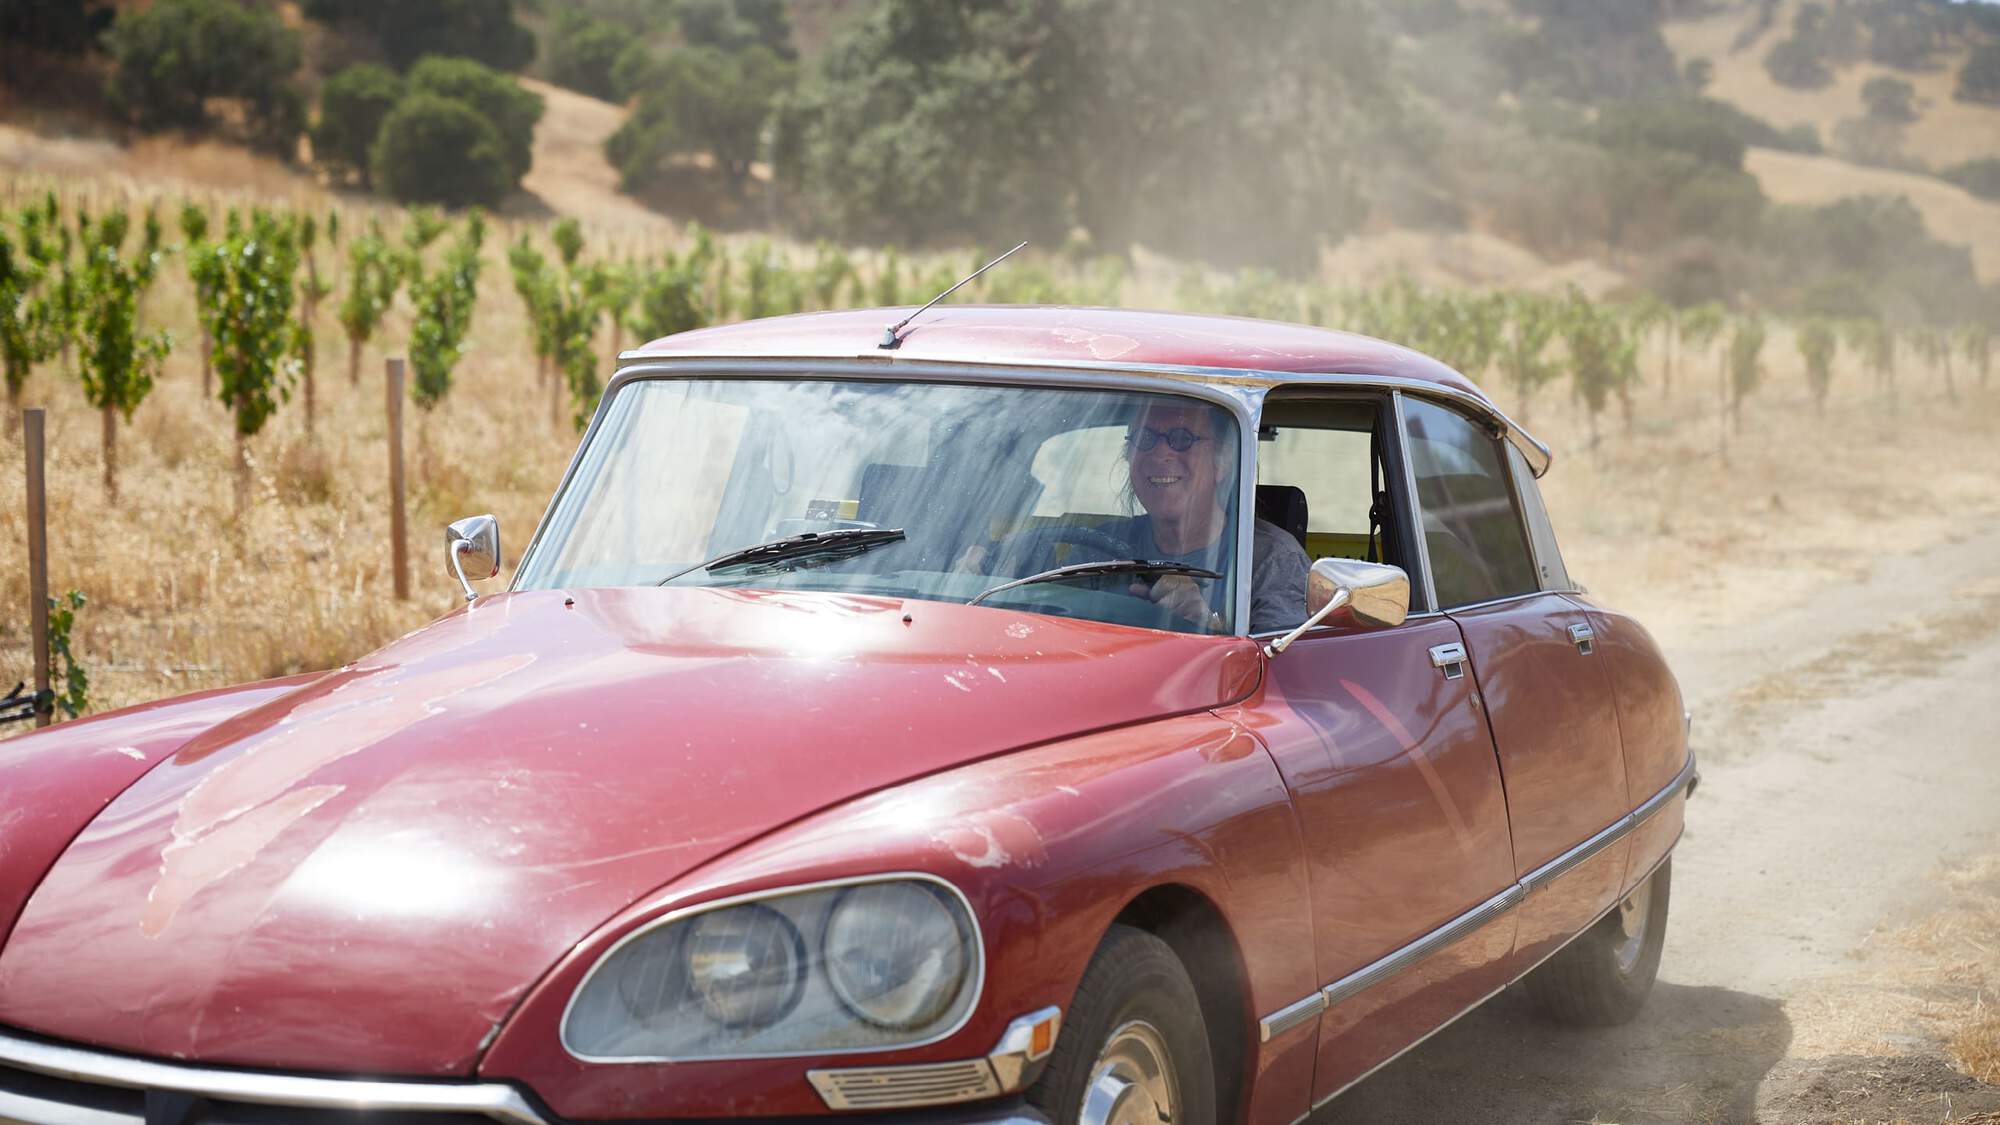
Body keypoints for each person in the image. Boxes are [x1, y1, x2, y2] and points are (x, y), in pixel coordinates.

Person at [1112, 401, 1309, 634]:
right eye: (1144, 438)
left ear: (1222, 460)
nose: (1160, 454)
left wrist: (1209, 625)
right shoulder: (1102, 548)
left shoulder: (1274, 560)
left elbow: (1281, 663)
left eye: (1182, 438)